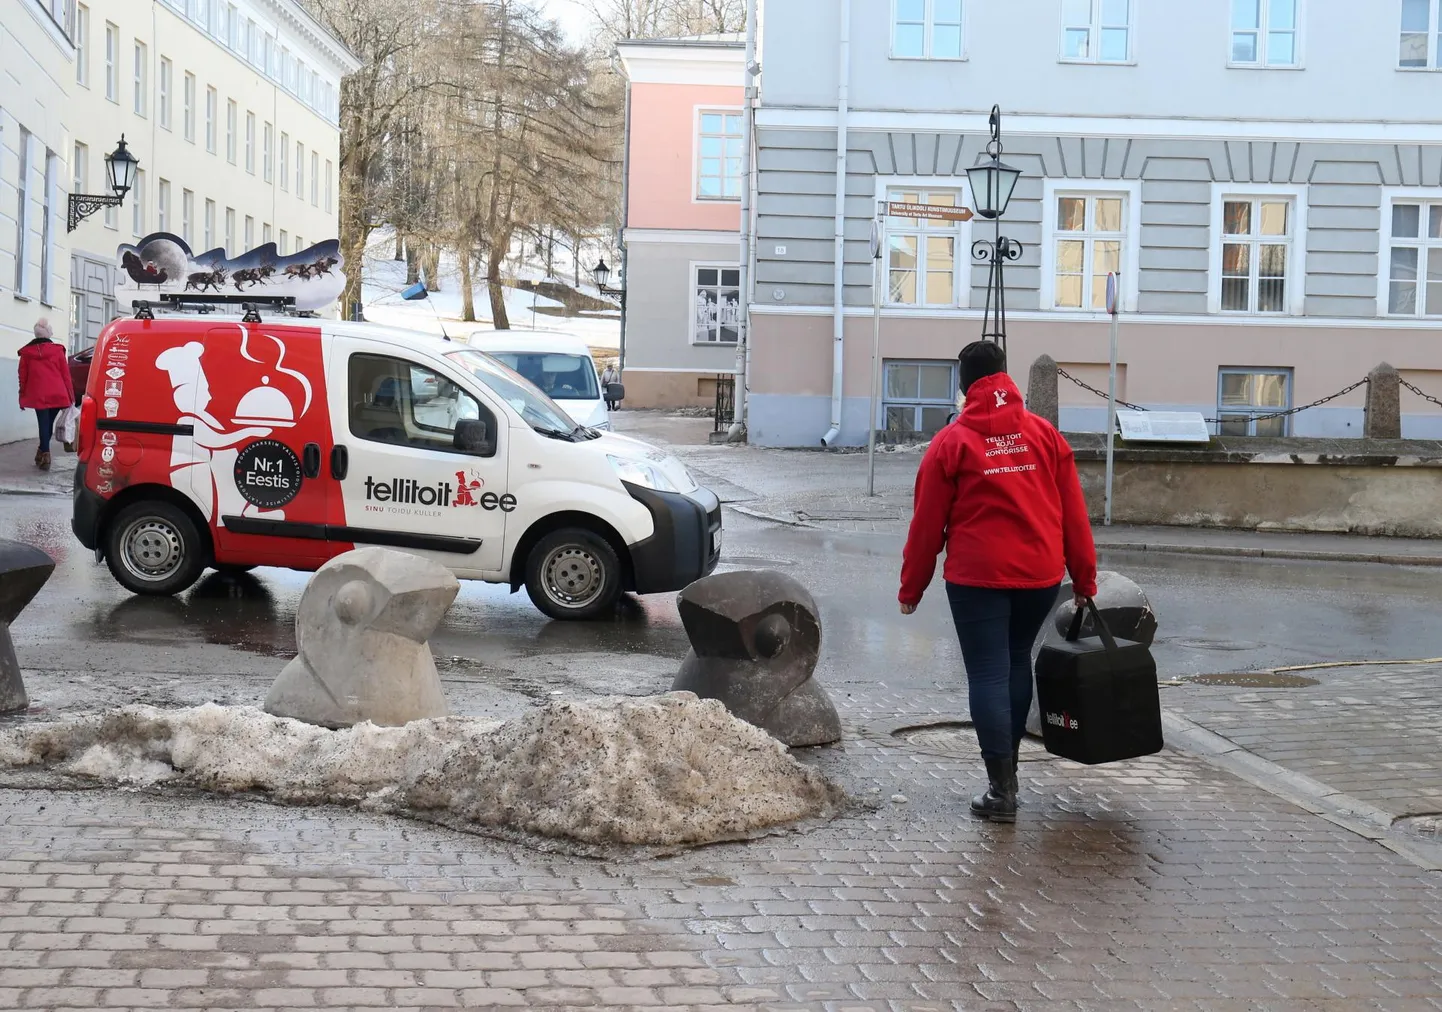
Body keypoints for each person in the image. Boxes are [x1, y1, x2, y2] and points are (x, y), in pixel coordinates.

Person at [898, 340, 1097, 824]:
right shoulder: (1044, 435)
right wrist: (1084, 577)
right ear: (1006, 378)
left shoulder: (951, 442)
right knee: (1014, 665)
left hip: (977, 578)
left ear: (965, 387)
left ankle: (1000, 789)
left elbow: (927, 523)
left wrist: (912, 587)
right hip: (1039, 575)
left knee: (987, 672)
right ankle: (1007, 781)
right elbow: (1074, 512)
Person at [18, 319, 75, 471]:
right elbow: (65, 374)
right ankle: (42, 452)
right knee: (48, 424)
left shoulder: (26, 353)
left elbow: (22, 376)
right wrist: (71, 395)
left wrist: (22, 394)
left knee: (43, 424)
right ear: (48, 333)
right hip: (58, 394)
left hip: (38, 395)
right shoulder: (57, 350)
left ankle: (45, 453)